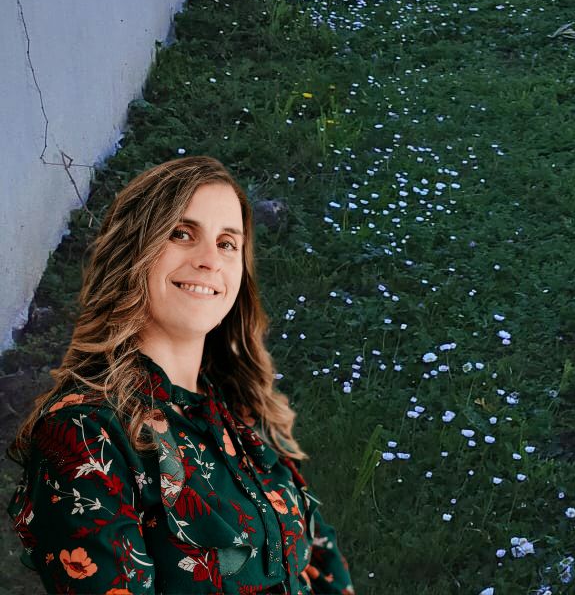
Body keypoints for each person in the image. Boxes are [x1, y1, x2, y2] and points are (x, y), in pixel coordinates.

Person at [7, 156, 353, 593]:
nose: (210, 260)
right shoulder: (85, 433)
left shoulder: (242, 412)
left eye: (228, 243)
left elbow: (321, 561)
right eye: (182, 234)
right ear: (134, 252)